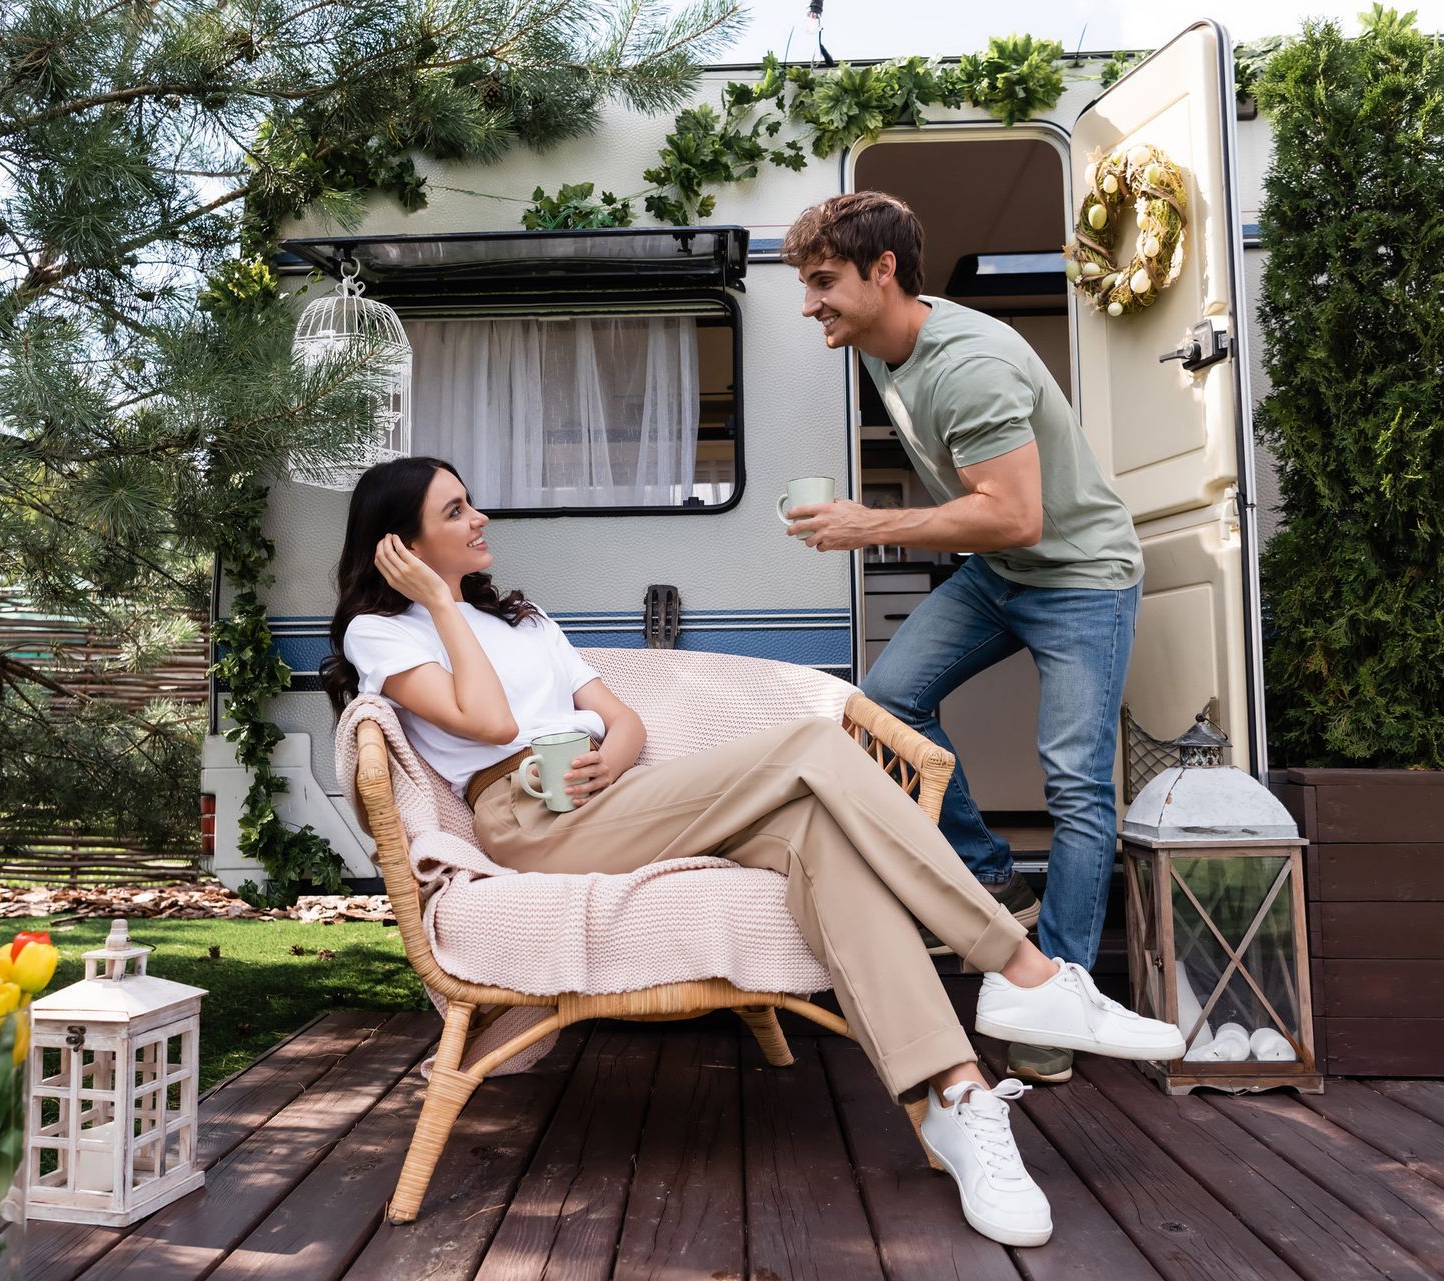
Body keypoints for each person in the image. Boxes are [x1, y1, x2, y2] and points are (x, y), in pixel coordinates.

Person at [320, 456, 1184, 1248]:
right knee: (812, 747)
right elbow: (491, 725)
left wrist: (607, 756)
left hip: (604, 795)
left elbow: (622, 717)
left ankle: (956, 1095)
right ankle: (1024, 969)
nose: (479, 520)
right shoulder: (383, 634)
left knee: (817, 836)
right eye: (455, 509)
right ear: (402, 543)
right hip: (527, 819)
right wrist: (437, 602)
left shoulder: (524, 617)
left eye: (471, 502)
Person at [781, 192, 1146, 1086]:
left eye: (824, 282)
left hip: (1080, 579)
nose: (808, 304)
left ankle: (1057, 991)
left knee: (1074, 780)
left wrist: (871, 526)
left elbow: (1017, 516)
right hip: (1003, 576)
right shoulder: (876, 346)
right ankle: (993, 877)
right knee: (883, 705)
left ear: (884, 271)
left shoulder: (969, 363)